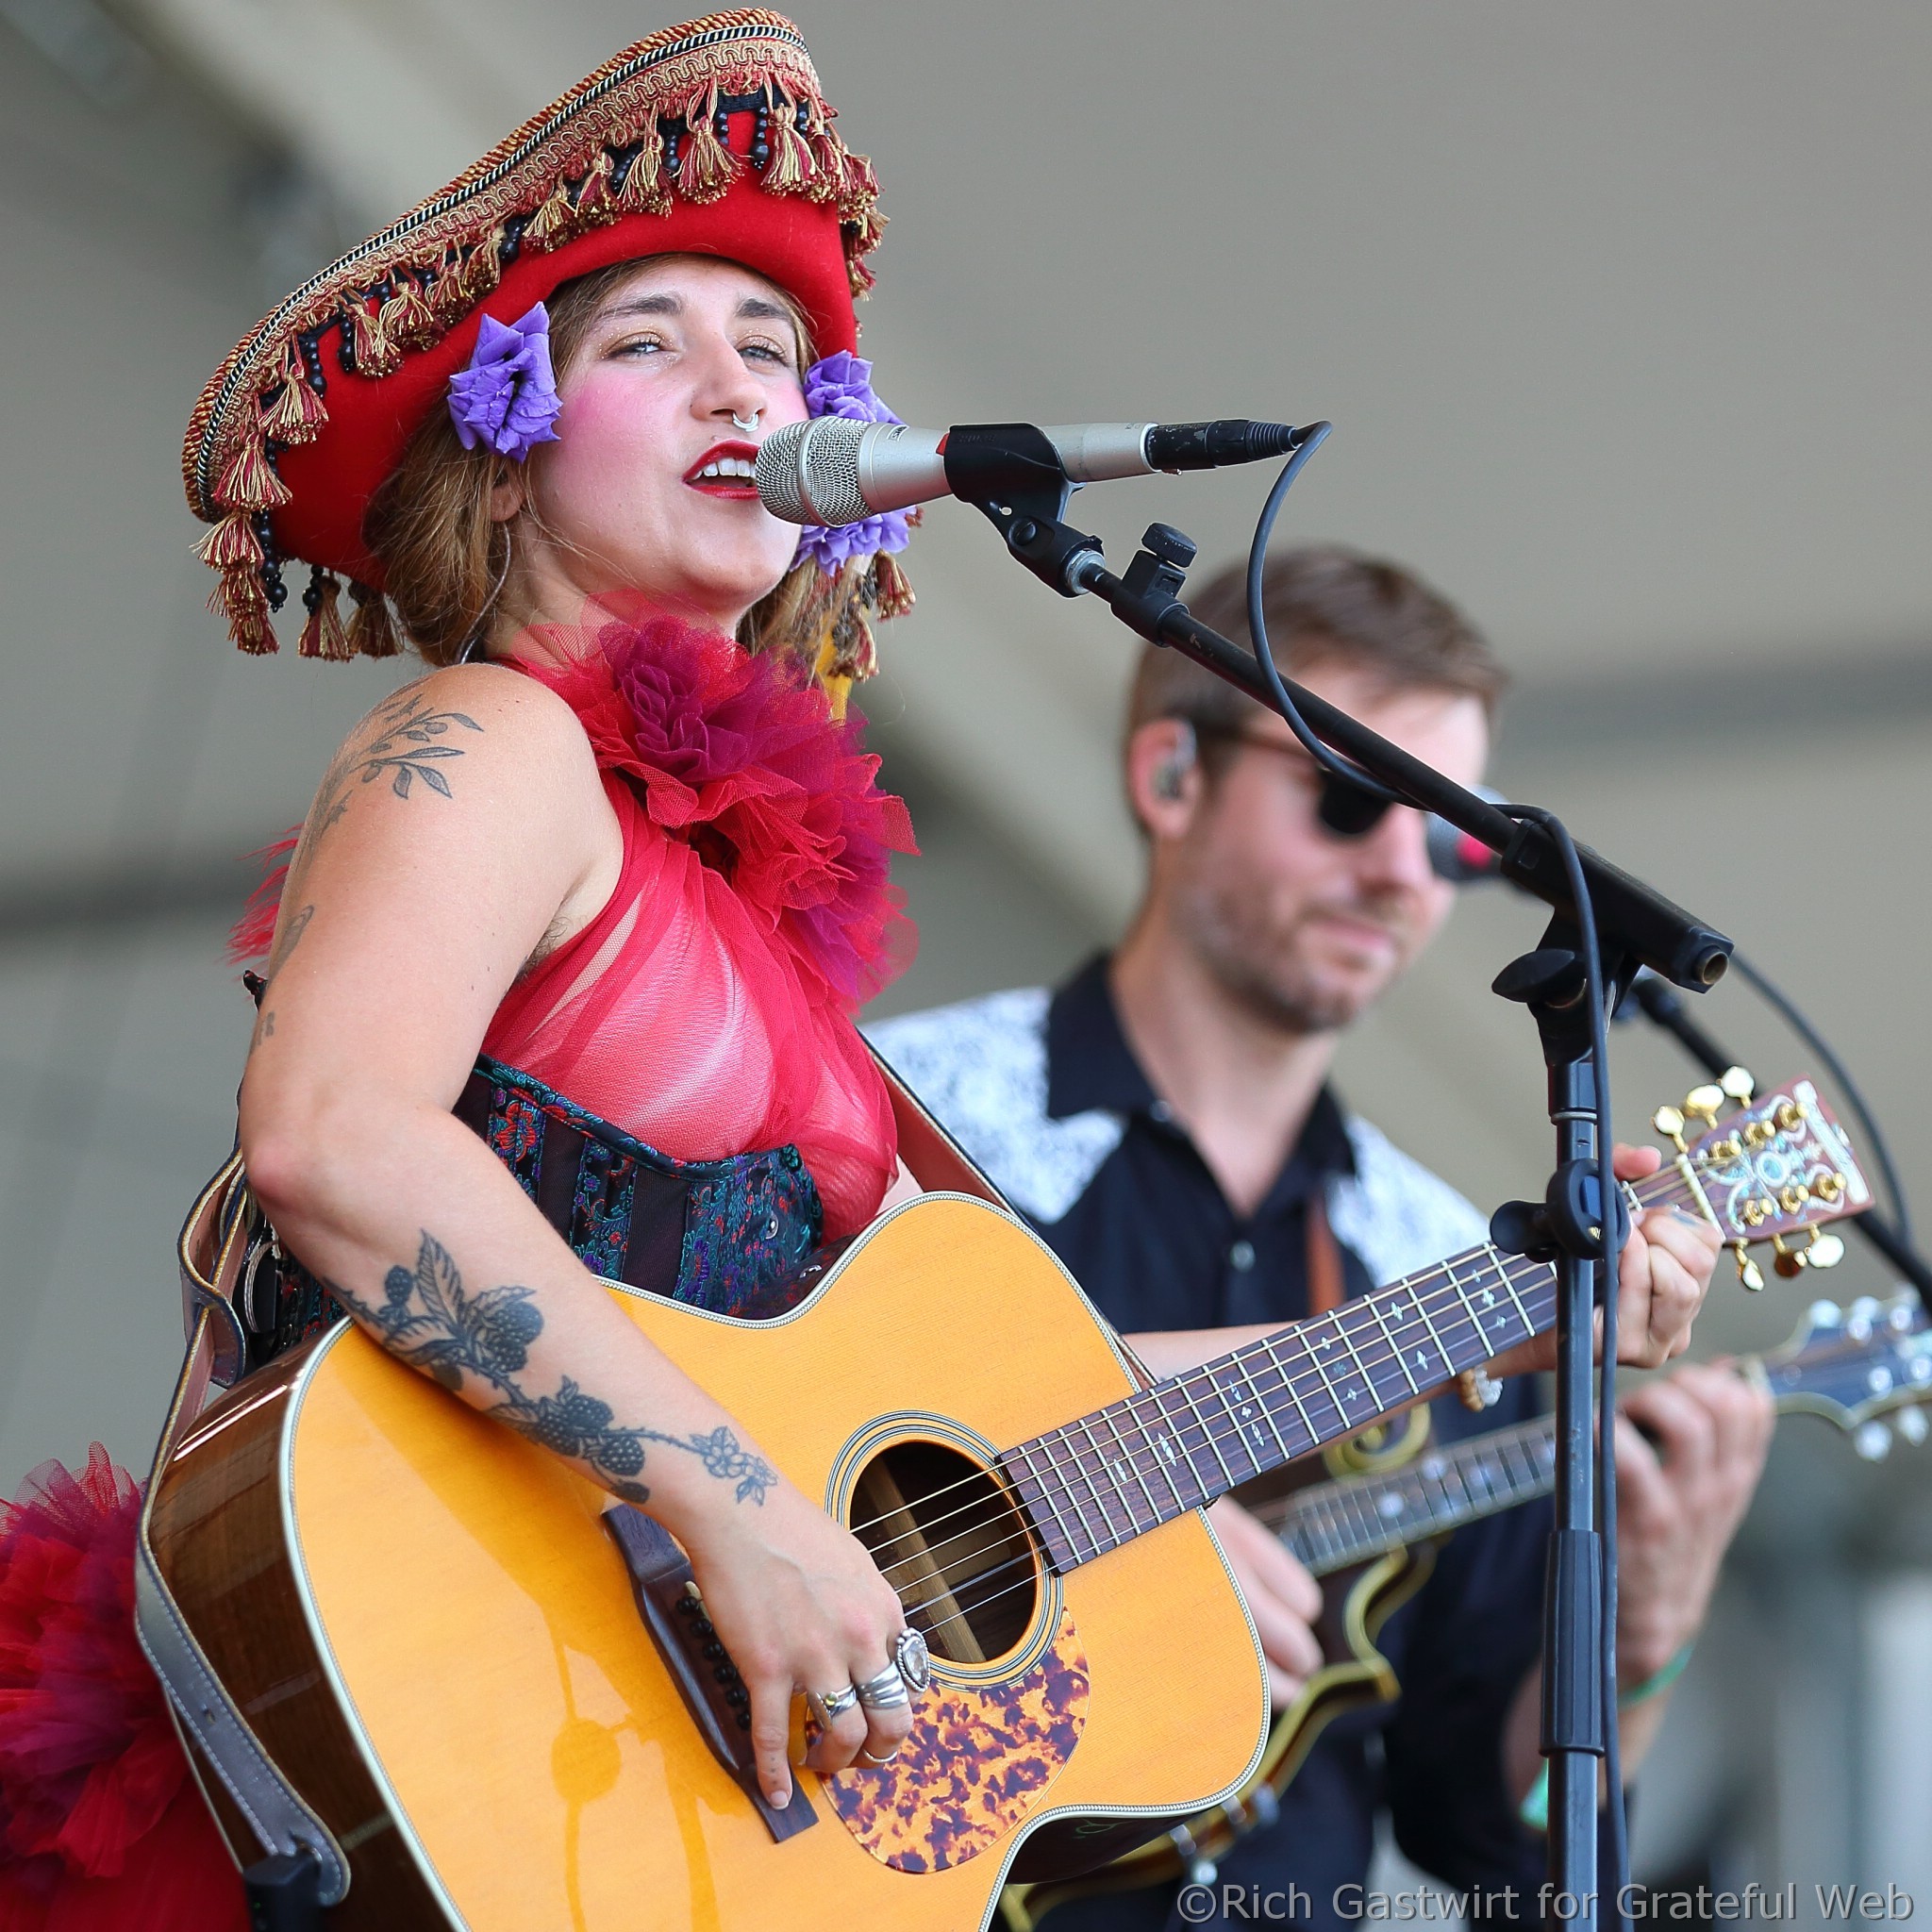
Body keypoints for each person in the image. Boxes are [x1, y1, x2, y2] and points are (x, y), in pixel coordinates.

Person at [1, 14, 922, 1924]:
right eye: (646, 343)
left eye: (773, 347)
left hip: (583, 1772)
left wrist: (1528, 1297)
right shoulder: (497, 741)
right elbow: (335, 1137)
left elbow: (1016, 1380)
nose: (738, 383)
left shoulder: (749, 914)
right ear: (503, 456)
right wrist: (737, 1499)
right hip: (393, 1712)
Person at [867, 547, 1760, 1932]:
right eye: (1350, 798)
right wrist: (1144, 1557)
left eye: (1456, 836)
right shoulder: (893, 1120)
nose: (1403, 871)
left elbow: (1503, 1850)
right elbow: (722, 1470)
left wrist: (1643, 1640)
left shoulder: (1459, 1262)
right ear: (1173, 778)